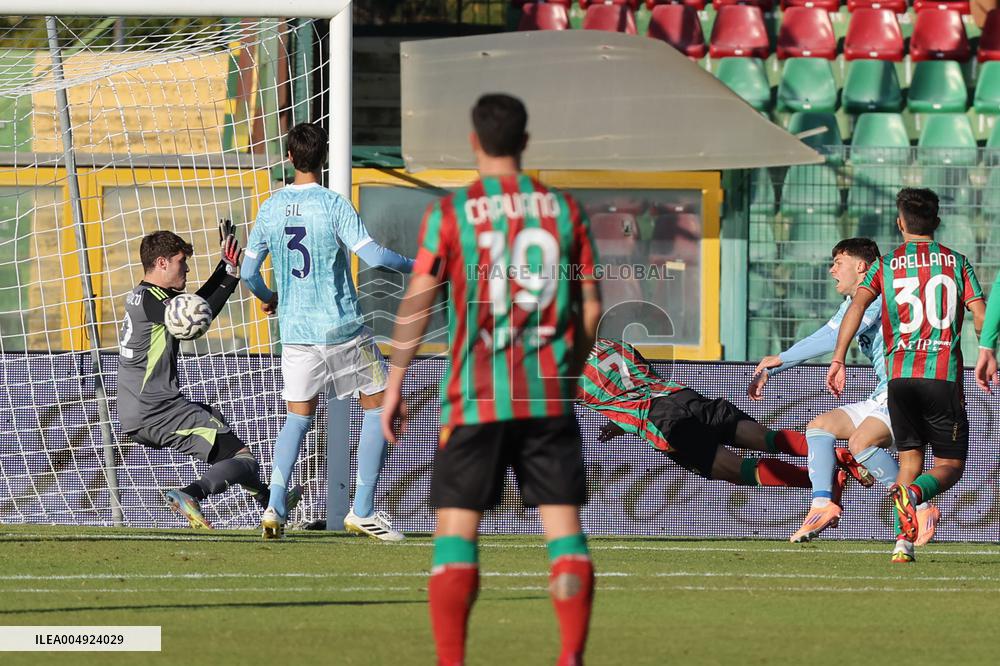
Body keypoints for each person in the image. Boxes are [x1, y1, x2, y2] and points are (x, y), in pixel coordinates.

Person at [381, 93, 602, 666]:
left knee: (456, 535)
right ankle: (570, 656)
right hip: (545, 393)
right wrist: (568, 373)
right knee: (564, 533)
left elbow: (419, 299)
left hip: (473, 398)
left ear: (474, 142)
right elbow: (592, 309)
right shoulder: (564, 210)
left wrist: (396, 378)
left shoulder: (450, 213)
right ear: (526, 142)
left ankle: (453, 661)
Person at [242, 121, 414, 540]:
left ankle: (274, 508)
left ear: (288, 158)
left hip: (295, 333)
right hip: (340, 328)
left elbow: (248, 273)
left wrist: (271, 295)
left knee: (297, 419)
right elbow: (374, 256)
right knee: (379, 407)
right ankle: (363, 511)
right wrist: (420, 266)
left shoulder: (269, 207)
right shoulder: (333, 204)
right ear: (323, 157)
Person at [827, 188, 985, 563]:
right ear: (938, 221)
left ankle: (903, 541)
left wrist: (839, 358)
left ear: (900, 224)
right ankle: (913, 496)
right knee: (950, 465)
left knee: (910, 458)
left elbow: (856, 306)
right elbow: (980, 314)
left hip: (898, 378)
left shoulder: (886, 265)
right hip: (942, 376)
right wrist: (988, 352)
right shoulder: (958, 263)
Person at [748, 238, 934, 544]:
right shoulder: (853, 303)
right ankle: (823, 504)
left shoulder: (876, 296)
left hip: (909, 390)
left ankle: (922, 507)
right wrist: (774, 367)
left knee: (862, 443)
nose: (831, 270)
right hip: (884, 393)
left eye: (838, 262)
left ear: (861, 267)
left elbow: (830, 341)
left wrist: (779, 360)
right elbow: (827, 334)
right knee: (820, 427)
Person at [118, 224, 298, 528]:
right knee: (244, 460)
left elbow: (194, 306)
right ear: (161, 263)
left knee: (221, 432)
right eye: (181, 262)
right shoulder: (153, 299)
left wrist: (226, 271)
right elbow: (196, 313)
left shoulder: (144, 296)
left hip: (137, 409)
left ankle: (267, 500)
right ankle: (191, 494)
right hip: (157, 409)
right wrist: (228, 274)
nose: (186, 269)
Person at [584, 338, 871, 500]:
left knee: (735, 469)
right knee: (764, 438)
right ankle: (841, 455)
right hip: (682, 395)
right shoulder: (611, 343)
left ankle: (825, 476)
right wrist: (618, 419)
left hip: (658, 419)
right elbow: (633, 382)